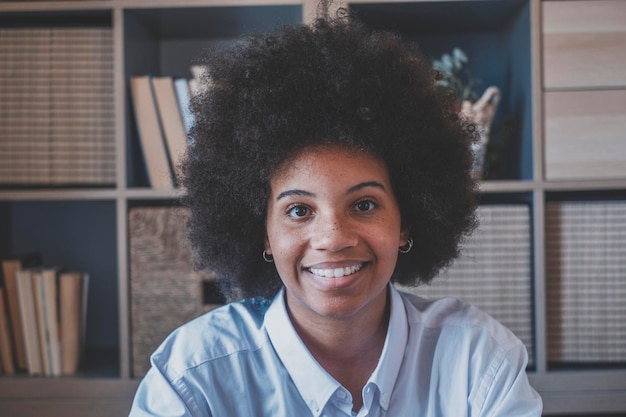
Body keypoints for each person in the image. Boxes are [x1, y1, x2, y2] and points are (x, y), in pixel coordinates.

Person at [129, 10, 542, 417]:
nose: (333, 237)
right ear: (264, 234)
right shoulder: (191, 380)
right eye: (298, 210)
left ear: (407, 220)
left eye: (364, 205)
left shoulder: (477, 365)